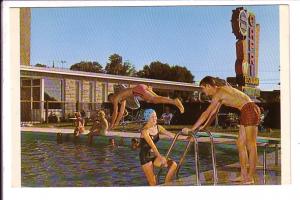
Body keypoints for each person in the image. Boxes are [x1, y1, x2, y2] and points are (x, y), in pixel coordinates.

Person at [182, 76, 261, 184]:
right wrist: (204, 127)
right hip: (245, 110)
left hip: (250, 109)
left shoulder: (218, 93)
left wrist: (192, 129)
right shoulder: (221, 91)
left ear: (208, 86)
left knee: (251, 145)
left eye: (203, 89)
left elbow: (206, 113)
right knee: (240, 143)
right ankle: (243, 175)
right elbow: (213, 113)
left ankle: (250, 177)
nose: (204, 92)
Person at [139, 109, 187, 186]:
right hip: (145, 157)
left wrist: (186, 138)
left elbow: (172, 135)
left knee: (173, 165)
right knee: (153, 183)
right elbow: (153, 146)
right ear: (147, 118)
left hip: (154, 156)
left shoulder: (158, 127)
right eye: (152, 117)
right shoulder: (145, 131)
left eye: (155, 116)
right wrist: (160, 157)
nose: (155, 118)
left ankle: (166, 186)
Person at [108, 84, 185, 130]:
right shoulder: (122, 98)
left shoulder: (116, 97)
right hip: (141, 88)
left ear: (111, 97)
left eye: (110, 101)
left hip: (138, 90)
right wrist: (116, 123)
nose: (112, 102)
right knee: (156, 99)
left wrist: (112, 125)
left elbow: (115, 112)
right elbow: (121, 112)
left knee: (154, 99)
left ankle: (175, 101)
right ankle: (174, 102)